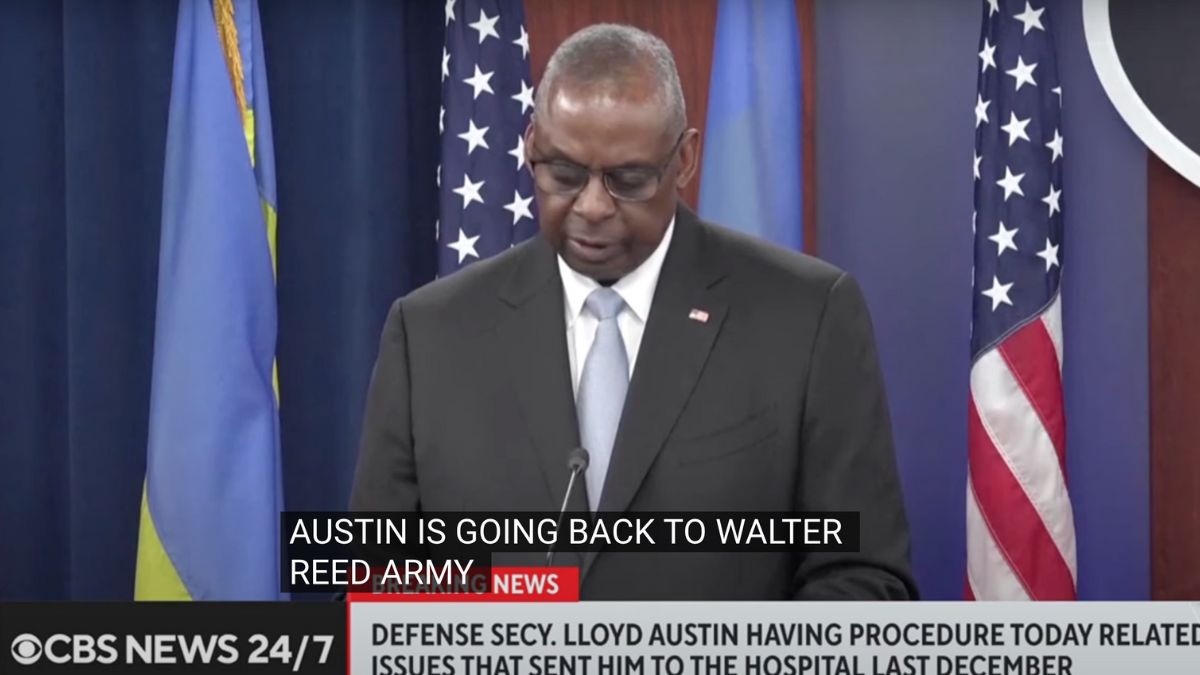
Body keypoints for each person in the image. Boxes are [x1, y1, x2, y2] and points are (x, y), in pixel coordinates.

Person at [351, 23, 917, 600]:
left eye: (628, 180)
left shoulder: (807, 317)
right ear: (529, 147)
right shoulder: (430, 335)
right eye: (564, 175)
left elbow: (864, 579)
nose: (592, 207)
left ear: (686, 158)